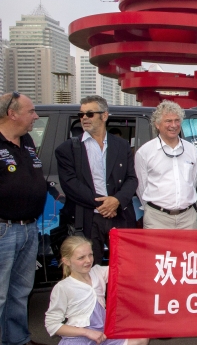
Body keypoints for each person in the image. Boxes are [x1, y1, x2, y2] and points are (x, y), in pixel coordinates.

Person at [27, 236, 149, 345]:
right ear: (67, 261)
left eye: (90, 255)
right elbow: (52, 325)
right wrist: (86, 332)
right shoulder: (63, 287)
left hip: (103, 337)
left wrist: (140, 250)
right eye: (81, 257)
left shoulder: (97, 271)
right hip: (81, 343)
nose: (88, 261)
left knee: (142, 340)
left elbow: (124, 269)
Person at [0, 92, 52, 345]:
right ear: (12, 113)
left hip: (29, 226)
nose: (35, 116)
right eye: (31, 112)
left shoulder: (28, 141)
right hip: (4, 228)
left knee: (20, 290)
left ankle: (16, 340)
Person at [55, 96, 138, 265]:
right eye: (81, 114)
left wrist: (116, 201)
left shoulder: (122, 146)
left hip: (119, 216)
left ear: (104, 116)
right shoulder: (67, 149)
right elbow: (70, 184)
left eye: (90, 113)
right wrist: (103, 205)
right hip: (87, 218)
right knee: (90, 269)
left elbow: (132, 178)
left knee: (125, 266)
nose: (84, 117)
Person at [135, 100, 197, 229]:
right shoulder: (145, 152)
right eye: (168, 121)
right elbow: (141, 186)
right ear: (157, 124)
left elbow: (193, 181)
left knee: (188, 250)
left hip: (187, 218)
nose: (173, 125)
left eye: (177, 120)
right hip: (157, 219)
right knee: (156, 250)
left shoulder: (191, 149)